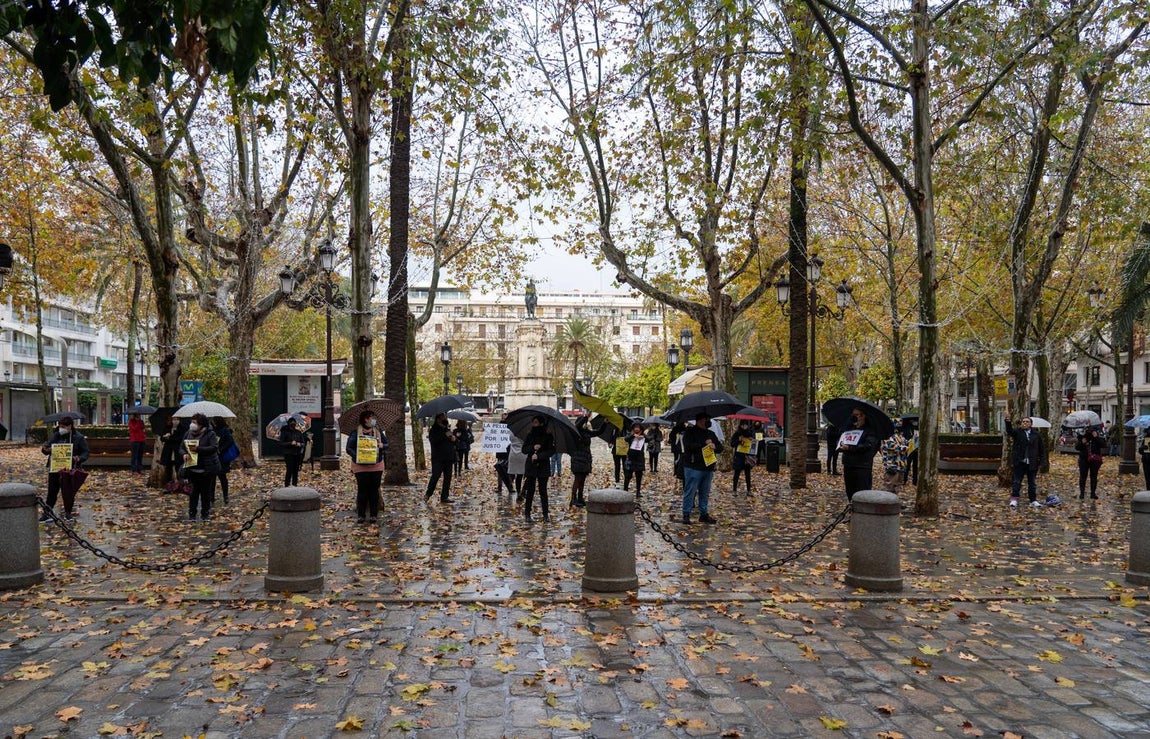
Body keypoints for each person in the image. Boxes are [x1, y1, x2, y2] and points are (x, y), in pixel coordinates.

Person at [39, 416, 90, 522]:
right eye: (60, 426)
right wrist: (46, 449)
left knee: (68, 492)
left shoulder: (78, 437)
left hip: (69, 469)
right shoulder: (57, 435)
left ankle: (68, 513)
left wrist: (79, 458)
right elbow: (47, 447)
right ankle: (47, 513)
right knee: (52, 492)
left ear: (70, 426)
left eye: (63, 426)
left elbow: (85, 452)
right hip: (55, 467)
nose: (61, 428)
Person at [345, 410, 388, 523]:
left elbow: (387, 444)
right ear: (365, 419)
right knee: (362, 490)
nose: (374, 420)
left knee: (374, 490)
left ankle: (374, 515)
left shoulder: (378, 431)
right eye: (372, 418)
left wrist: (382, 445)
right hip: (360, 466)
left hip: (376, 465)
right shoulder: (355, 433)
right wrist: (358, 456)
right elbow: (349, 448)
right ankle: (361, 515)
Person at [680, 412, 723, 524]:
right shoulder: (690, 432)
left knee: (705, 492)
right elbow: (688, 446)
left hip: (708, 467)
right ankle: (686, 513)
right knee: (690, 491)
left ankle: (703, 514)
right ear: (699, 420)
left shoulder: (711, 434)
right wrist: (703, 445)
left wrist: (714, 446)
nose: (708, 421)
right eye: (706, 419)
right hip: (693, 466)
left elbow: (720, 447)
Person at [181, 413, 220, 521]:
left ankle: (205, 513)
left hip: (206, 469)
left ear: (201, 424)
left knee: (205, 493)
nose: (192, 425)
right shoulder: (188, 433)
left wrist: (198, 449)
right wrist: (184, 453)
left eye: (194, 423)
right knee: (193, 492)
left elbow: (214, 447)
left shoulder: (210, 434)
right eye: (191, 422)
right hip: (192, 468)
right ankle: (192, 514)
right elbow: (181, 447)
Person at [837, 407, 881, 501]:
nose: (855, 418)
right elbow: (841, 440)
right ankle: (852, 509)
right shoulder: (849, 428)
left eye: (857, 415)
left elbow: (868, 446)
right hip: (849, 463)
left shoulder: (870, 430)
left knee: (862, 493)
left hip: (862, 465)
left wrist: (850, 448)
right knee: (850, 491)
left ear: (863, 416)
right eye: (853, 415)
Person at [521, 415, 556, 522]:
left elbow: (551, 451)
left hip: (543, 466)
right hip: (531, 466)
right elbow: (524, 449)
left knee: (543, 491)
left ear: (541, 423)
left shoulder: (548, 436)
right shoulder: (530, 435)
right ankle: (527, 513)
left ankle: (545, 514)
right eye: (533, 422)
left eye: (536, 422)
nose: (534, 424)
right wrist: (533, 447)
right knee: (530, 490)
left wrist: (540, 456)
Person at [1005, 414, 1045, 508]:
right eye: (1023, 422)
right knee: (1017, 481)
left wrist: (1042, 462)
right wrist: (1007, 422)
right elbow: (1009, 431)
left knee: (1032, 482)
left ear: (1031, 424)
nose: (1025, 423)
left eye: (1027, 422)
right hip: (1020, 462)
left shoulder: (1036, 434)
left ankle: (1033, 500)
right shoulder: (1017, 432)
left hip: (1032, 462)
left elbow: (1041, 449)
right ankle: (1014, 499)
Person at [426, 412, 457, 503]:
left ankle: (444, 496)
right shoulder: (433, 430)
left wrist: (454, 439)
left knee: (448, 478)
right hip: (438, 458)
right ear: (438, 419)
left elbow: (452, 441)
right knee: (435, 476)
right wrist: (444, 436)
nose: (445, 418)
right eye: (443, 417)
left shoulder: (447, 429)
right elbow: (434, 441)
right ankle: (428, 494)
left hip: (448, 457)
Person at [879, 421, 911, 496]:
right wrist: (904, 448)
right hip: (892, 464)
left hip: (901, 464)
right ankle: (883, 502)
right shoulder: (886, 436)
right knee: (888, 485)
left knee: (898, 485)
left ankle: (894, 501)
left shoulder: (899, 436)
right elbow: (891, 446)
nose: (898, 428)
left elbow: (906, 443)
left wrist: (910, 442)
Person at [569, 415, 593, 508]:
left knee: (582, 479)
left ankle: (580, 497)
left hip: (586, 458)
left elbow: (598, 432)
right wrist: (585, 417)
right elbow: (578, 426)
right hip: (577, 458)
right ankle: (573, 498)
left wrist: (605, 423)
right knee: (578, 479)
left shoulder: (587, 432)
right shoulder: (576, 431)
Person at [1075, 427, 1103, 500]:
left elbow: (1103, 445)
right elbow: (1077, 447)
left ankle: (1093, 493)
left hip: (1094, 460)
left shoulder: (1097, 435)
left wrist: (1096, 437)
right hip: (1084, 459)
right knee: (1083, 477)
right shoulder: (1082, 436)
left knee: (1094, 477)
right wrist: (1082, 442)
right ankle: (1082, 493)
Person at [212, 418, 236, 505]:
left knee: (222, 477)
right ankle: (211, 497)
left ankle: (225, 496)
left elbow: (230, 441)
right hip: (214, 457)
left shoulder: (225, 430)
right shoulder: (212, 431)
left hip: (222, 457)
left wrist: (221, 449)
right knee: (213, 478)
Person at [730, 419, 756, 494]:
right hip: (739, 456)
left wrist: (752, 441)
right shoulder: (737, 434)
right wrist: (738, 440)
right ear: (740, 425)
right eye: (743, 424)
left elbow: (753, 445)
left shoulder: (750, 433)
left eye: (746, 424)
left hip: (747, 456)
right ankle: (734, 489)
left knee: (748, 474)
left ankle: (748, 490)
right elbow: (732, 444)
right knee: (737, 473)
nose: (744, 426)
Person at [279, 417, 306, 487]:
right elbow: (281, 443)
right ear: (289, 424)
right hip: (288, 453)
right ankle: (287, 485)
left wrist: (300, 444)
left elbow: (303, 443)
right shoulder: (284, 432)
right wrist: (290, 443)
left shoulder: (299, 432)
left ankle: (294, 484)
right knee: (289, 469)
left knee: (296, 470)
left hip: (297, 453)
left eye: (294, 423)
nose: (293, 424)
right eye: (291, 423)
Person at [621, 422, 646, 495]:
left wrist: (642, 436)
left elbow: (648, 439)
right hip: (631, 458)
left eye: (638, 427)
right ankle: (625, 490)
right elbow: (626, 439)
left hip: (640, 458)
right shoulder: (630, 435)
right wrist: (633, 435)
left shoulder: (642, 435)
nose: (637, 429)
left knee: (639, 476)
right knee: (628, 475)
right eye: (635, 427)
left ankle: (638, 491)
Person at [159, 415, 185, 484]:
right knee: (168, 468)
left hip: (177, 450)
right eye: (174, 419)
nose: (175, 421)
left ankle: (180, 484)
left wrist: (170, 437)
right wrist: (165, 436)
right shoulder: (167, 427)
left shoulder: (182, 428)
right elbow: (162, 438)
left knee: (178, 466)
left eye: (177, 419)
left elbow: (181, 438)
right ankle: (169, 483)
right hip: (168, 450)